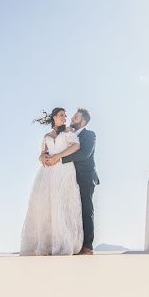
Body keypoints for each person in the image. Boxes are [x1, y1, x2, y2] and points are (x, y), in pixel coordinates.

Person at [19, 108, 84, 256]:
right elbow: (42, 153)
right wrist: (42, 158)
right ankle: (47, 244)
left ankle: (63, 243)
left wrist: (58, 156)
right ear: (54, 117)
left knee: (61, 203)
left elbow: (76, 146)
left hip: (64, 169)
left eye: (65, 115)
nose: (64, 117)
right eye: (61, 115)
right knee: (45, 204)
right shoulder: (47, 136)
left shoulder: (68, 131)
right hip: (47, 173)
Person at [42, 108, 99, 255]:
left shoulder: (89, 135)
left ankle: (87, 247)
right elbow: (54, 148)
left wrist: (59, 159)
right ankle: (74, 243)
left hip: (85, 178)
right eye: (72, 116)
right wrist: (45, 157)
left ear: (83, 121)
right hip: (67, 178)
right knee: (71, 210)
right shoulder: (67, 134)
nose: (72, 118)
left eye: (75, 117)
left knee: (86, 210)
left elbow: (84, 154)